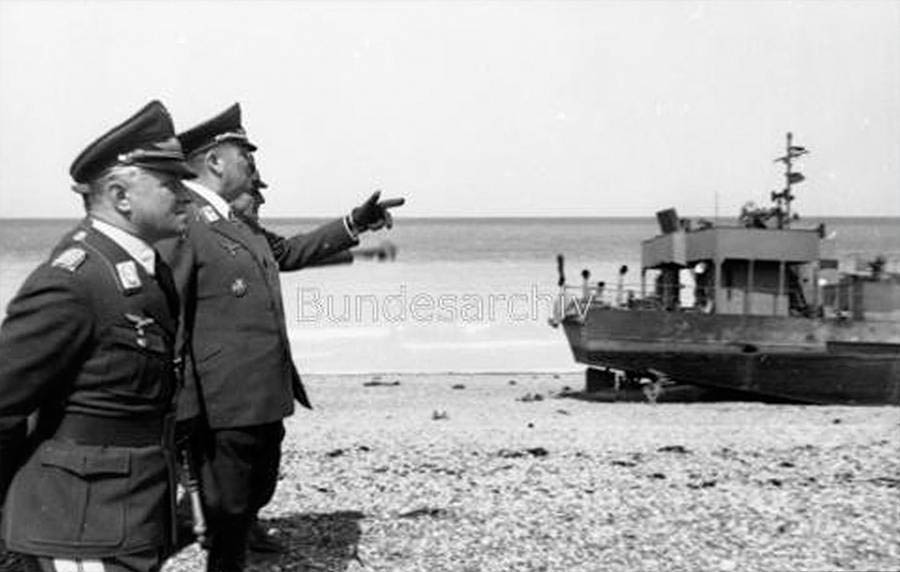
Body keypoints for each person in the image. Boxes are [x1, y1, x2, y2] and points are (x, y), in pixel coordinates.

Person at [157, 103, 403, 571]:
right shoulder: (184, 221)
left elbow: (289, 252)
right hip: (221, 401)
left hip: (262, 395)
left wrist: (355, 222)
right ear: (215, 162)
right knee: (220, 514)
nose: (253, 169)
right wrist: (181, 405)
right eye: (246, 158)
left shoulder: (235, 221)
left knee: (249, 496)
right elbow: (172, 313)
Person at [0, 101, 194, 572]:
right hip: (78, 527)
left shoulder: (149, 273)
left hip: (132, 513)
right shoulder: (76, 281)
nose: (185, 196)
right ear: (120, 195)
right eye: (170, 184)